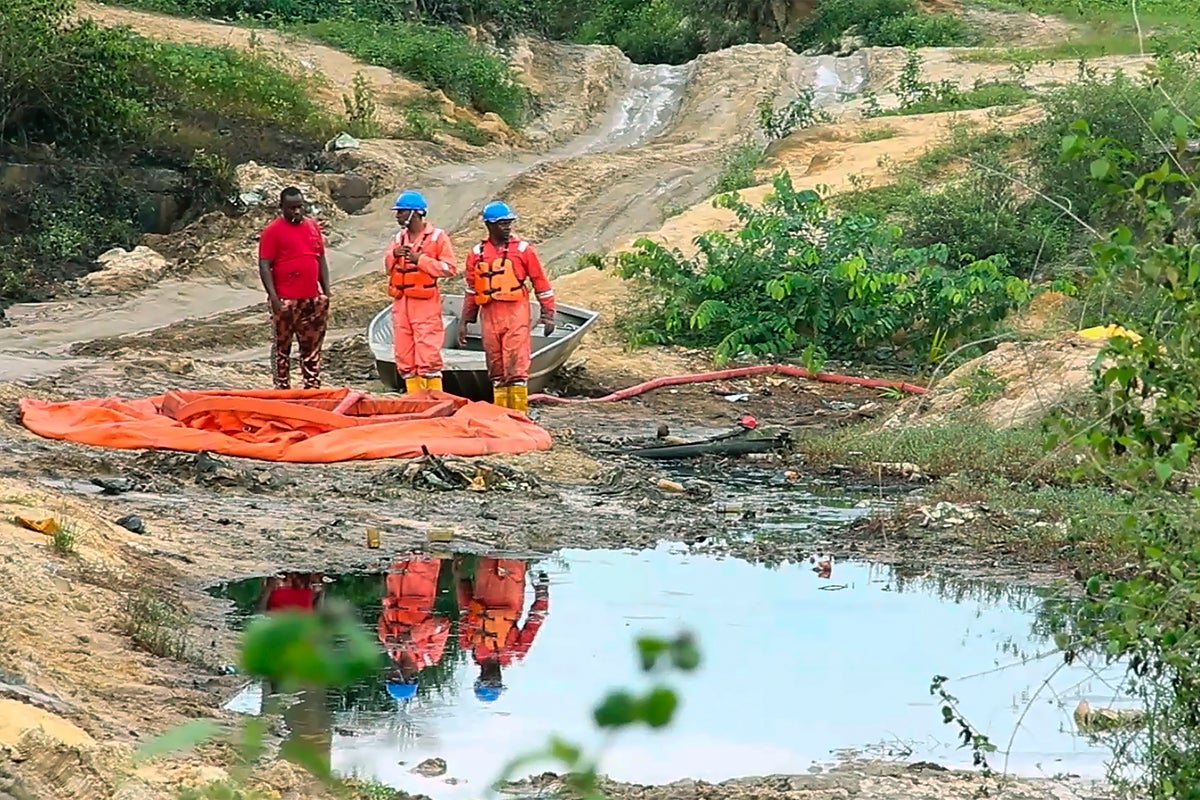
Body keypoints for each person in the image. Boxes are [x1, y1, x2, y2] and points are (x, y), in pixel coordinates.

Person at [458, 201, 555, 414]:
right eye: (502, 223)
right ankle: (502, 416)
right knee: (496, 367)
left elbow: (541, 283)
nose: (507, 227)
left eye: (509, 223)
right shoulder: (476, 253)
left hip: (516, 313)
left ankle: (519, 416)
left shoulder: (523, 250)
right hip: (489, 315)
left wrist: (549, 314)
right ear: (489, 225)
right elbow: (472, 288)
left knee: (516, 366)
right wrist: (465, 320)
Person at [257, 186, 332, 390]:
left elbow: (320, 258)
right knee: (283, 346)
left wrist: (326, 291)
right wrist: (273, 297)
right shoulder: (272, 231)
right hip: (286, 299)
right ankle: (282, 387)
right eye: (291, 208)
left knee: (312, 346)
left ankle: (312, 385)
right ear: (282, 207)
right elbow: (264, 264)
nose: (296, 212)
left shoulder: (313, 227)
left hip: (313, 298)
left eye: (299, 207)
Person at [386, 190, 458, 394]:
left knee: (428, 353)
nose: (397, 215)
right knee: (404, 355)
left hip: (425, 303)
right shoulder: (398, 238)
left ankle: (434, 401)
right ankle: (414, 401)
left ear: (416, 213)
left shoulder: (437, 237)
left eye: (402, 211)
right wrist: (394, 255)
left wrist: (421, 260)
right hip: (401, 303)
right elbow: (386, 266)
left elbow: (449, 268)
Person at [454, 556, 549, 704]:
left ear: (480, 679)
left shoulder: (468, 644)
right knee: (514, 553)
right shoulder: (516, 652)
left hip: (485, 588)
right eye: (497, 683)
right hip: (511, 592)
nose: (495, 679)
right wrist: (542, 595)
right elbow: (534, 622)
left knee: (490, 550)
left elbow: (466, 610)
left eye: (490, 682)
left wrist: (462, 581)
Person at [377, 554, 451, 703]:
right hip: (420, 591)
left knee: (399, 547)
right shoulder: (430, 656)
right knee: (424, 552)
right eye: (395, 678)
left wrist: (386, 637)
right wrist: (413, 636)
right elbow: (442, 625)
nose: (391, 673)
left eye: (389, 677)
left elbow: (381, 621)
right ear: (409, 678)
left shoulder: (393, 652)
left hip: (395, 590)